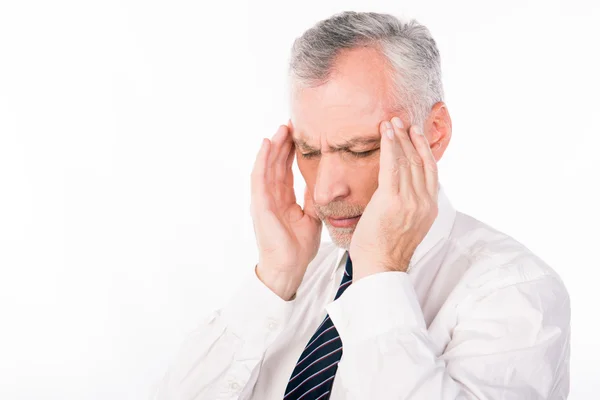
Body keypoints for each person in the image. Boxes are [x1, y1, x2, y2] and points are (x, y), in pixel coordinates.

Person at [153, 11, 570, 400]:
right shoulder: (305, 272)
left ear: (436, 132)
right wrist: (274, 278)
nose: (324, 192)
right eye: (309, 152)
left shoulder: (516, 293)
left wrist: (380, 275)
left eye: (360, 149)